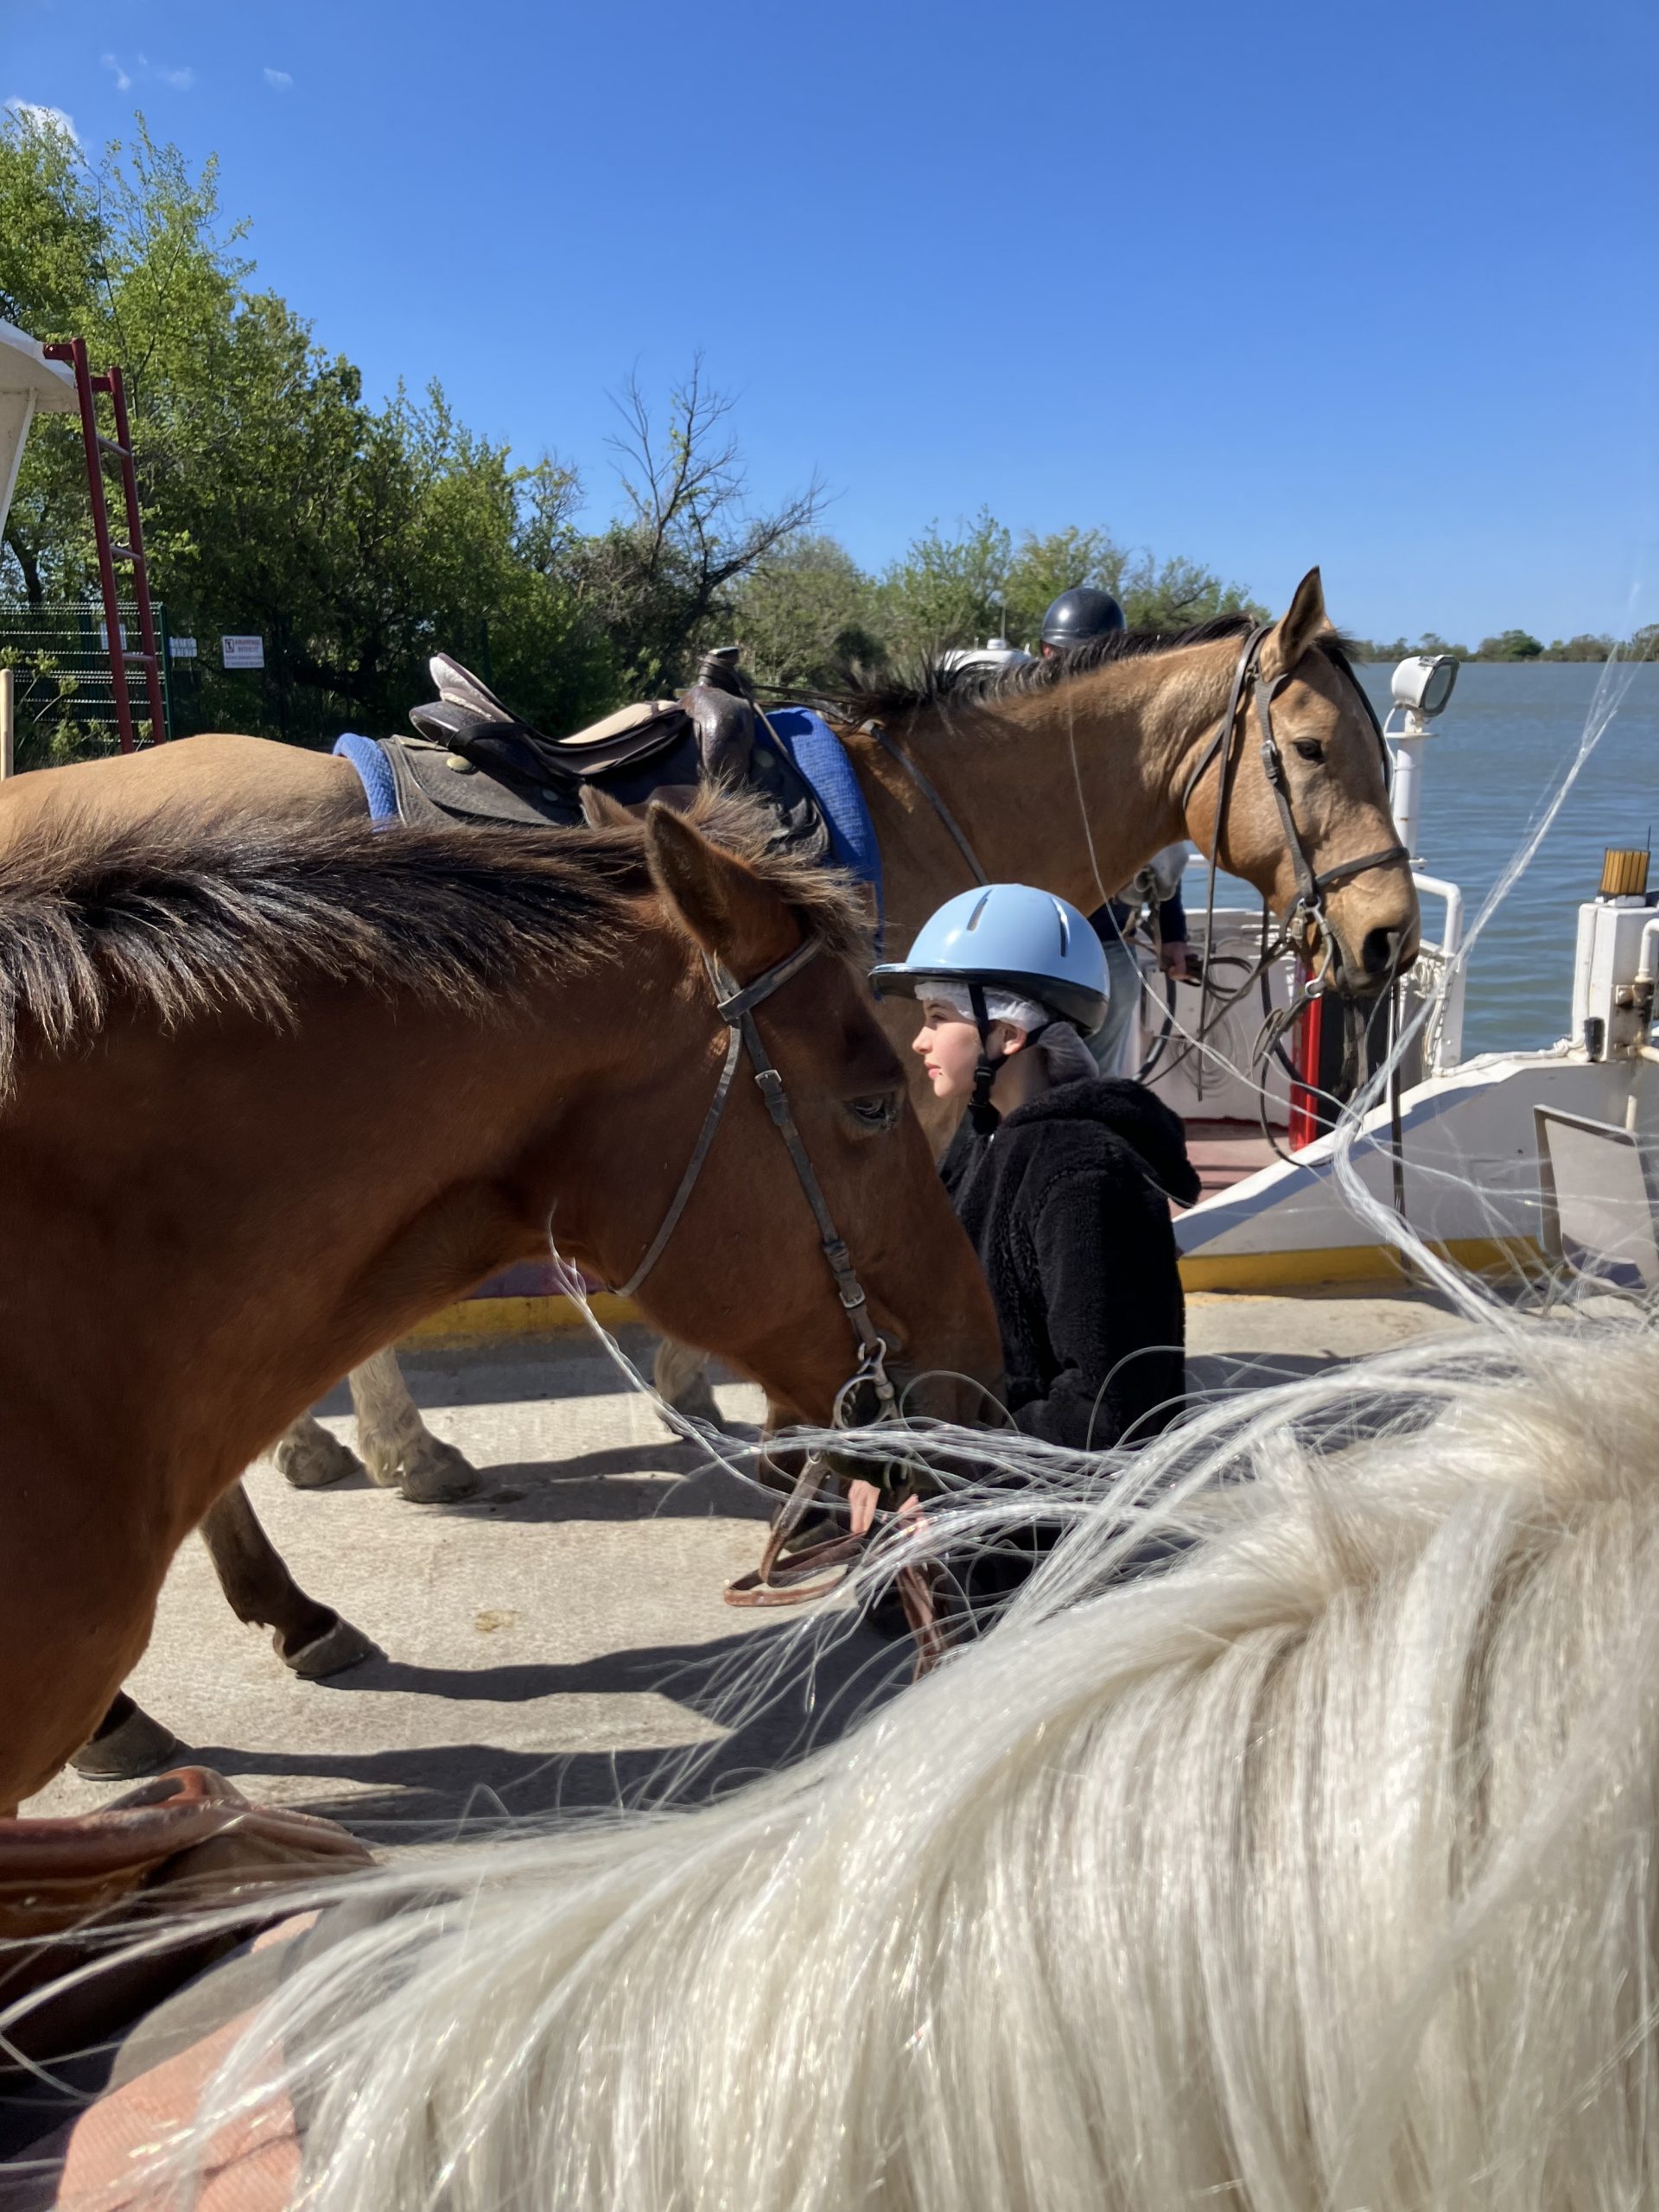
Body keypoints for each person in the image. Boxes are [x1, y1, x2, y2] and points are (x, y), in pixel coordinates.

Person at [870, 883, 1200, 1456]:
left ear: (1008, 1033)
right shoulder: (984, 1140)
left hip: (1043, 1534)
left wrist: (947, 1477)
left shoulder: (1088, 1178)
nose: (920, 1041)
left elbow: (1110, 1411)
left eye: (938, 1016)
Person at [1039, 588, 1191, 1075]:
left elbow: (1160, 838)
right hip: (1031, 948)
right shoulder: (1020, 744)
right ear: (1046, 654)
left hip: (1104, 946)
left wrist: (1173, 933)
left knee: (1086, 1085)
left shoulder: (1135, 746)